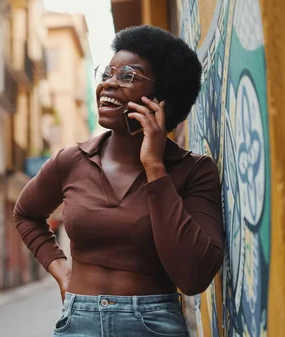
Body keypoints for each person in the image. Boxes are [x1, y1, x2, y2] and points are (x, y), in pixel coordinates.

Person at [14, 25, 223, 337]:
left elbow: (194, 277)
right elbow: (26, 214)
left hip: (153, 324)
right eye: (107, 74)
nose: (109, 84)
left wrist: (154, 167)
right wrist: (61, 272)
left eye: (127, 77)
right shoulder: (71, 161)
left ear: (161, 97)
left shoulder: (194, 171)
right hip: (77, 322)